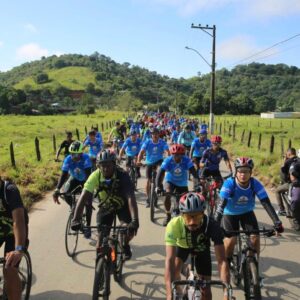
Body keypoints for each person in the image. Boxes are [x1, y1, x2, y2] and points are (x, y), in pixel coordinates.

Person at [71, 149, 139, 260]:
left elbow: (131, 198)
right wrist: (76, 219)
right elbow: (83, 197)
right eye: (102, 165)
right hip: (106, 207)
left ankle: (125, 244)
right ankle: (100, 263)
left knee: (127, 231)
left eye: (108, 165)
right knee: (101, 238)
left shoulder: (123, 175)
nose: (105, 168)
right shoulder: (95, 176)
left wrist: (135, 220)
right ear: (98, 166)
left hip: (122, 206)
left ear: (114, 164)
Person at [214, 157, 284, 264]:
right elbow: (221, 205)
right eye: (240, 171)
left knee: (255, 239)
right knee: (231, 241)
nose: (243, 174)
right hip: (230, 214)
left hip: (247, 213)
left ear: (250, 172)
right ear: (236, 172)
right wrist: (215, 224)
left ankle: (254, 264)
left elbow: (266, 203)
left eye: (246, 171)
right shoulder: (229, 183)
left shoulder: (255, 184)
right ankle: (228, 263)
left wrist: (277, 222)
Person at [165, 192, 230, 300]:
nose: (192, 222)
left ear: (203, 214)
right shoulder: (173, 225)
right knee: (174, 274)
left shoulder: (212, 225)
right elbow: (169, 261)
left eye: (197, 217)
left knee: (206, 292)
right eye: (188, 217)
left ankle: (188, 271)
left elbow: (222, 261)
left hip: (202, 248)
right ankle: (179, 292)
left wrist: (226, 294)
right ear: (181, 215)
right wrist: (169, 294)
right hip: (182, 247)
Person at [52, 141, 93, 238]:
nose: (73, 156)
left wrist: (86, 193)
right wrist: (57, 189)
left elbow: (88, 176)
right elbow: (63, 175)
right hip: (74, 178)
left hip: (86, 180)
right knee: (65, 192)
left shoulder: (86, 158)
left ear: (81, 153)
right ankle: (74, 206)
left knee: (88, 203)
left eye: (76, 154)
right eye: (72, 154)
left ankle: (88, 226)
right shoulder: (68, 159)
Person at [156, 144, 200, 226]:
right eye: (175, 155)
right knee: (168, 194)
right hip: (170, 181)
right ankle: (168, 215)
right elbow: (160, 173)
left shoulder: (187, 160)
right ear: (172, 154)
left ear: (182, 155)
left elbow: (194, 173)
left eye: (179, 155)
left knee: (186, 201)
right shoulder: (168, 160)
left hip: (182, 183)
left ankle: (186, 217)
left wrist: (197, 185)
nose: (177, 157)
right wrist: (158, 186)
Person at [0, 177, 29, 300]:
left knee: (9, 268)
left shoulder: (9, 190)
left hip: (15, 231)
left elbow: (18, 221)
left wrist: (18, 249)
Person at [137, 127, 170, 207]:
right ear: (151, 135)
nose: (155, 135)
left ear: (159, 134)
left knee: (161, 171)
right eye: (153, 134)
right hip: (149, 162)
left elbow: (167, 151)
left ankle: (159, 184)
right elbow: (141, 152)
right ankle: (148, 199)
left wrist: (168, 158)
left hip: (159, 161)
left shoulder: (162, 142)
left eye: (156, 133)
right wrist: (138, 161)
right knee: (148, 181)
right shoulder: (147, 142)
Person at [275, 148, 299, 216]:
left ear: (288, 153)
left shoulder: (288, 161)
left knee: (277, 191)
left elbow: (283, 174)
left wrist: (285, 160)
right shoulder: (298, 160)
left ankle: (282, 210)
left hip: (292, 183)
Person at [288, 162, 300, 230]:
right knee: (296, 200)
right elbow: (292, 175)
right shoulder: (295, 164)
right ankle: (296, 220)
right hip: (297, 185)